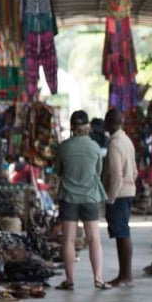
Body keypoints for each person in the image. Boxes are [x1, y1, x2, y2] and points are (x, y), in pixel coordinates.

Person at [53, 111, 109, 291]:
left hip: (69, 197)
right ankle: (98, 278)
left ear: (71, 126)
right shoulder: (95, 147)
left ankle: (69, 280)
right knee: (94, 239)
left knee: (68, 239)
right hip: (90, 197)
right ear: (87, 127)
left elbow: (58, 171)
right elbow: (98, 172)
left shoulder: (63, 147)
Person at [103, 107, 138, 286]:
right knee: (122, 232)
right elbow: (135, 169)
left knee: (122, 233)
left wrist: (110, 198)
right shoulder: (126, 140)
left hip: (119, 194)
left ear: (110, 123)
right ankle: (124, 274)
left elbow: (116, 176)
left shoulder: (115, 144)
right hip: (128, 191)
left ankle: (126, 276)